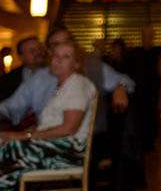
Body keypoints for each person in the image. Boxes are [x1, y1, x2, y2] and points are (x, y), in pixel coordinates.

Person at [0, 40, 97, 189]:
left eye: (66, 56)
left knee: (8, 151)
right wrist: (22, 133)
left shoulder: (77, 84)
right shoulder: (61, 87)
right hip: (50, 147)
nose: (58, 60)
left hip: (67, 151)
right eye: (55, 56)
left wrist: (23, 136)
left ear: (76, 64)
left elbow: (68, 129)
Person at [0, 28, 133, 136]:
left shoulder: (90, 69)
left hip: (82, 141)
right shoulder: (40, 77)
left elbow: (124, 80)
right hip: (45, 138)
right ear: (50, 51)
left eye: (67, 42)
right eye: (56, 45)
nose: (63, 47)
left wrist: (120, 87)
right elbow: (12, 106)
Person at [0, 36, 45, 102]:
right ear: (21, 57)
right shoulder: (8, 80)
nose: (38, 52)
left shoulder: (55, 73)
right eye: (32, 51)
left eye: (40, 49)